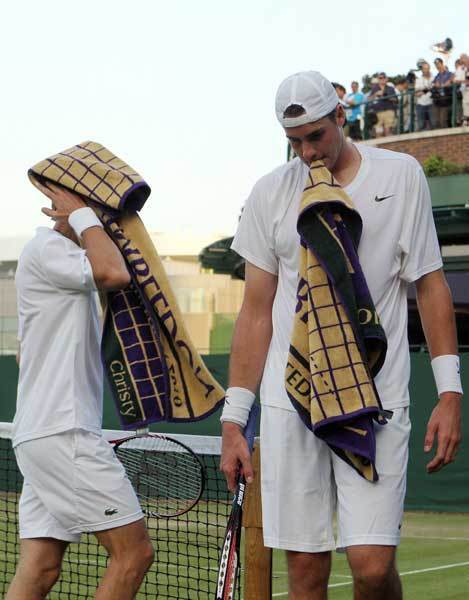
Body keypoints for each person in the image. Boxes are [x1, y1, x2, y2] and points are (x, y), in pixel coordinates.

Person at [220, 70, 462, 600]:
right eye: (295, 143)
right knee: (305, 574)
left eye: (316, 137)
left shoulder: (402, 176)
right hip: (293, 404)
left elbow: (430, 283)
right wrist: (234, 420)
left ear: (340, 117)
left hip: (376, 399)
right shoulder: (270, 193)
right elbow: (255, 312)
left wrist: (449, 390)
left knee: (372, 568)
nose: (308, 153)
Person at [7, 181, 154, 600]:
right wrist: (79, 213)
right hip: (62, 433)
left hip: (42, 435)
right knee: (134, 554)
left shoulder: (60, 262)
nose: (108, 219)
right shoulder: (49, 250)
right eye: (99, 209)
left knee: (40, 569)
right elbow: (115, 272)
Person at [368, 72, 398, 136]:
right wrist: (375, 94)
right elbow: (369, 99)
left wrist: (387, 97)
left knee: (388, 130)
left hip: (389, 110)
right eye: (380, 78)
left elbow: (396, 100)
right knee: (379, 132)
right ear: (378, 79)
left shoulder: (391, 88)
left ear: (386, 79)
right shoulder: (374, 89)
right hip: (378, 112)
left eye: (383, 77)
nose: (382, 79)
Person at [432, 58, 454, 128]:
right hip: (437, 100)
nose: (437, 66)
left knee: (443, 120)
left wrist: (444, 84)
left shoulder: (450, 74)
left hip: (446, 100)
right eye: (436, 65)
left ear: (442, 63)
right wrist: (435, 85)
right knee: (437, 121)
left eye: (438, 64)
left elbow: (451, 82)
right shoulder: (436, 76)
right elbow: (433, 85)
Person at [415, 61, 434, 130]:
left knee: (433, 124)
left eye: (428, 68)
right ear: (422, 70)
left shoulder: (434, 78)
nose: (427, 70)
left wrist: (423, 91)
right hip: (421, 104)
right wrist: (427, 90)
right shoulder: (418, 80)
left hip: (432, 103)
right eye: (425, 69)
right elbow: (417, 94)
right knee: (421, 125)